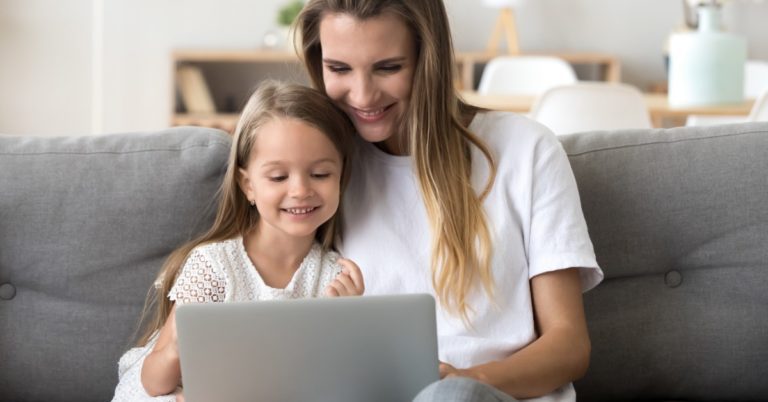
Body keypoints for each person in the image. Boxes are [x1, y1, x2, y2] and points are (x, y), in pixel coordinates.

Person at [295, 1, 604, 401]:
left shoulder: (526, 150)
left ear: (430, 60)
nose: (362, 95)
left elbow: (569, 346)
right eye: (339, 68)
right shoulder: (321, 171)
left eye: (388, 67)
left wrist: (464, 380)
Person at [111, 81, 364, 402]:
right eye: (278, 177)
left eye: (320, 174)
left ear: (342, 176)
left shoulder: (334, 278)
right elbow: (153, 383)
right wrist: (177, 346)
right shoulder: (214, 265)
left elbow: (333, 382)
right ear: (248, 186)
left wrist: (351, 322)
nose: (301, 190)